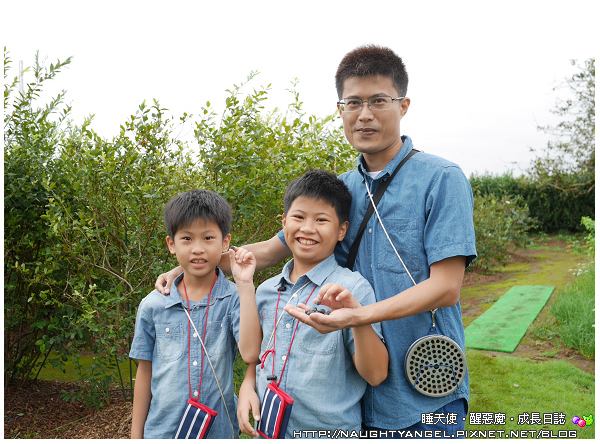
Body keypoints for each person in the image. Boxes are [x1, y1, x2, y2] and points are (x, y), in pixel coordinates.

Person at [156, 45, 477, 437]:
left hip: (423, 387)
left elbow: (446, 287)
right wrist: (192, 261)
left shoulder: (441, 179)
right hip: (351, 394)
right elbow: (269, 251)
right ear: (340, 108)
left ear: (403, 104)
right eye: (353, 102)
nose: (364, 114)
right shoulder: (339, 190)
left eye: (378, 101)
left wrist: (357, 316)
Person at [239, 169, 388, 438]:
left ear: (342, 230)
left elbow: (376, 374)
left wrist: (356, 318)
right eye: (298, 217)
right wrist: (247, 386)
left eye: (321, 220)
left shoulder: (351, 290)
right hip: (268, 431)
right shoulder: (266, 291)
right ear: (284, 223)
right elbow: (255, 356)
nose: (307, 228)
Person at [130, 189, 261, 439]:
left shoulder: (234, 299)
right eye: (187, 239)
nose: (198, 249)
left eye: (208, 238)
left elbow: (250, 353)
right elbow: (144, 372)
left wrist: (245, 286)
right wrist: (136, 437)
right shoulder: (153, 305)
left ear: (225, 243)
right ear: (171, 244)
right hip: (162, 432)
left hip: (218, 431)